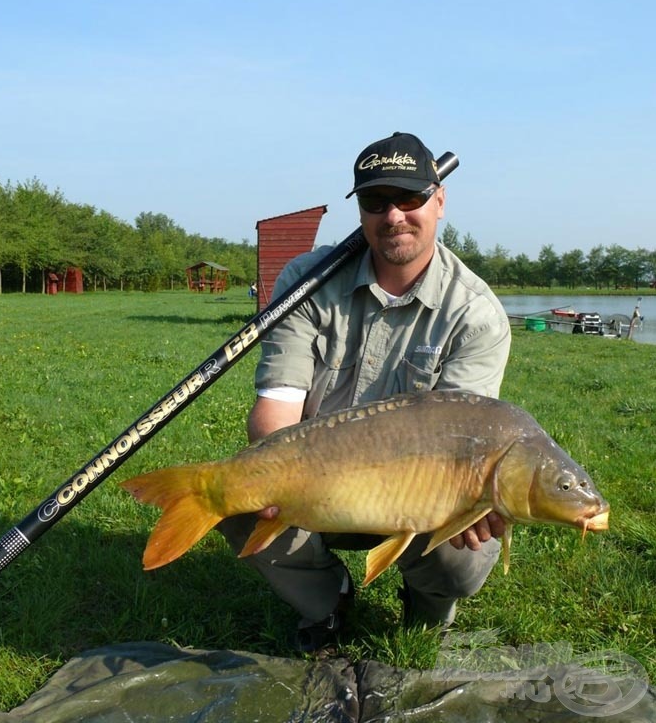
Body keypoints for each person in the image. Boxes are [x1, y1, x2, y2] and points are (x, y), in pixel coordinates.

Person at [219, 132, 511, 652]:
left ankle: (425, 611)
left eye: (410, 198)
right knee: (238, 501)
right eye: (377, 201)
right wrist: (273, 484)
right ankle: (326, 603)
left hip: (420, 494)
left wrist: (471, 502)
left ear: (439, 200)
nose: (394, 215)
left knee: (465, 550)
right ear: (360, 212)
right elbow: (276, 410)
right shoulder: (305, 282)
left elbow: (465, 443)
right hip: (317, 487)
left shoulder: (476, 314)